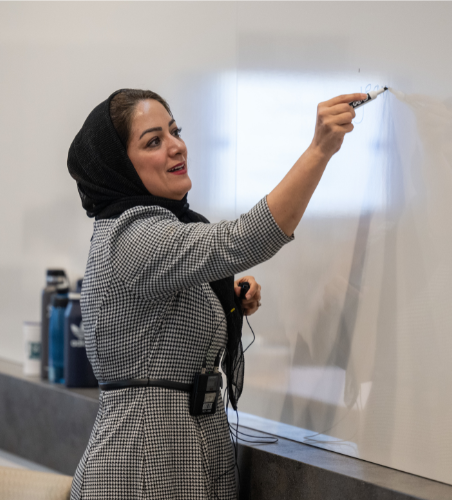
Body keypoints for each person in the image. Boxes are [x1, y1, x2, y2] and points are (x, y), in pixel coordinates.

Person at [67, 88, 365, 500]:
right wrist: (319, 149)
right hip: (140, 465)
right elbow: (238, 241)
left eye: (175, 131)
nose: (176, 147)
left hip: (192, 450)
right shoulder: (130, 234)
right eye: (153, 141)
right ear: (119, 166)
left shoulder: (160, 228)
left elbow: (175, 309)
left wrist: (225, 298)